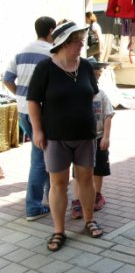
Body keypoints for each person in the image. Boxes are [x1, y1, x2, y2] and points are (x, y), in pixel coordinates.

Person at [27, 20, 103, 252]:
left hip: (85, 135)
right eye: (77, 41)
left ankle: (89, 220)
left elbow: (92, 95)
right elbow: (33, 101)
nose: (82, 45)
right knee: (58, 184)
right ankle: (59, 230)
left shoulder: (86, 67)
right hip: (55, 137)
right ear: (62, 44)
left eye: (81, 40)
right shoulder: (45, 69)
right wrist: (38, 130)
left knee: (86, 180)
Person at [3, 16, 56, 221]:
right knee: (41, 158)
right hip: (42, 111)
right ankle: (35, 205)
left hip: (24, 109)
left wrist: (21, 94)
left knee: (41, 154)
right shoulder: (50, 54)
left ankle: (50, 196)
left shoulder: (20, 51)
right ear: (51, 30)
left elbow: (7, 79)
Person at [71, 57, 114, 219]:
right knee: (77, 172)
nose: (98, 74)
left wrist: (106, 137)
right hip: (81, 140)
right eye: (95, 71)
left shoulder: (101, 94)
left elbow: (108, 115)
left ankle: (96, 195)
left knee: (99, 169)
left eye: (99, 71)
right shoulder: (76, 92)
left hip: (98, 137)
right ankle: (77, 201)